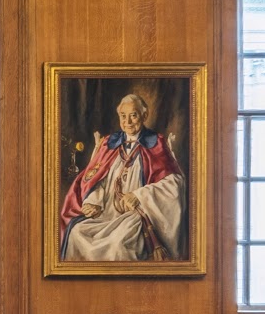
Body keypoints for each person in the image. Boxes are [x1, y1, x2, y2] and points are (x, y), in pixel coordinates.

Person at [59, 92, 184, 261]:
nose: (128, 122)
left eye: (133, 116)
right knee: (76, 233)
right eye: (123, 116)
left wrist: (139, 195)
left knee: (118, 245)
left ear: (144, 115)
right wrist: (93, 202)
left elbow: (175, 184)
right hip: (105, 214)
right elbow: (97, 179)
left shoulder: (156, 143)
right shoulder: (109, 143)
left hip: (135, 215)